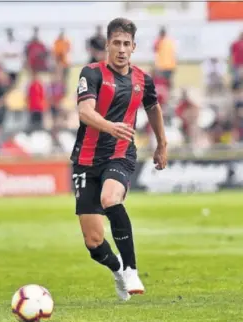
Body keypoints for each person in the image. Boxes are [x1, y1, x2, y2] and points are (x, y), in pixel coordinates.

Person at [70, 18, 168, 302]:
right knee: (94, 242)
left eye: (127, 44)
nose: (122, 49)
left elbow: (153, 107)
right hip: (86, 160)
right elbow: (85, 111)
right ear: (107, 45)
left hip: (121, 153)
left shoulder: (142, 80)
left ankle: (131, 269)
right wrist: (109, 125)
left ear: (134, 47)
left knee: (111, 199)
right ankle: (116, 268)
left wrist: (162, 143)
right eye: (116, 43)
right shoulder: (92, 73)